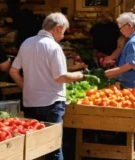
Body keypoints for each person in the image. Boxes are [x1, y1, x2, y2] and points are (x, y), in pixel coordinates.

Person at [10, 13, 85, 160]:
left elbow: (13, 71)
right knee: (53, 148)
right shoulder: (54, 47)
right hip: (52, 103)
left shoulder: (27, 43)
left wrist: (26, 88)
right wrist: (80, 75)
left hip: (30, 101)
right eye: (63, 32)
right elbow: (60, 77)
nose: (63, 37)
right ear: (58, 28)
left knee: (33, 148)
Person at [104, 13, 135, 90]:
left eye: (121, 28)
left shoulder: (133, 42)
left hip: (132, 86)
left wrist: (109, 73)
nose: (120, 31)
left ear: (129, 26)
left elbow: (131, 64)